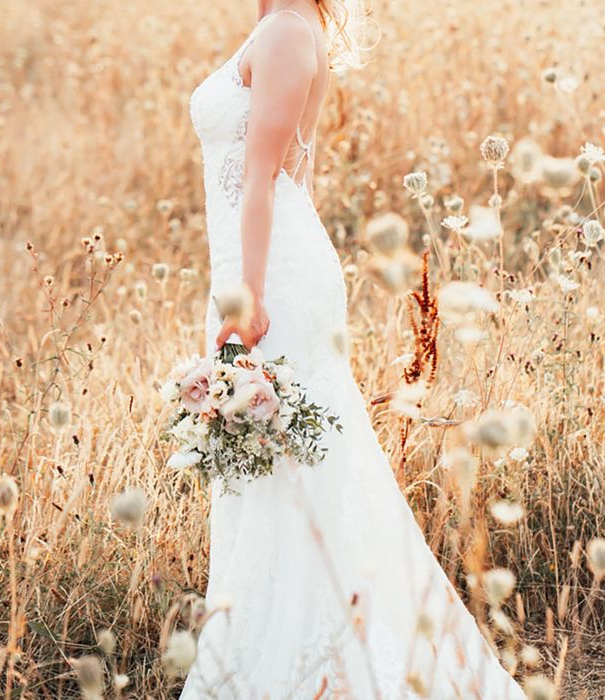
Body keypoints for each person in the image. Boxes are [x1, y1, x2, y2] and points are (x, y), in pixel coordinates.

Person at [180, 1, 527, 697]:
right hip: (261, 264)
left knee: (297, 466)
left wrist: (246, 297)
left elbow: (265, 178)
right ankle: (290, 661)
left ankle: (321, 667)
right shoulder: (279, 22)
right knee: (275, 467)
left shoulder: (284, 30)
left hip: (270, 274)